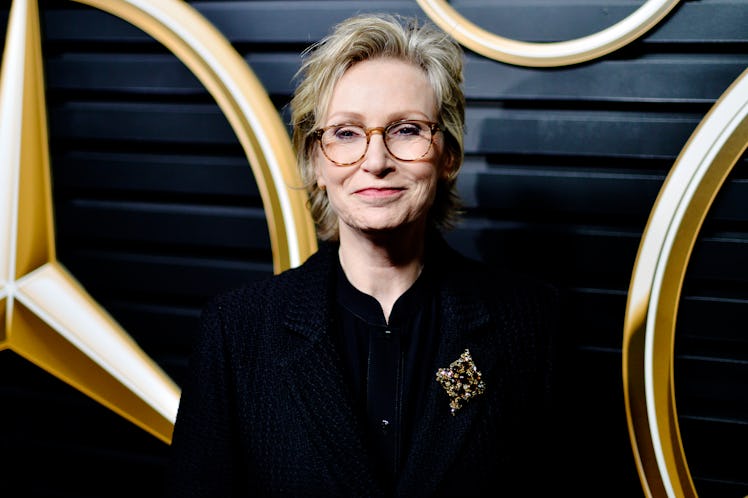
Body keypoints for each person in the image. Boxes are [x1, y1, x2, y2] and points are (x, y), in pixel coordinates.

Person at [167, 12, 558, 497]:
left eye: (407, 130)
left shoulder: (530, 324)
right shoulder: (237, 331)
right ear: (315, 160)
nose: (376, 162)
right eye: (347, 133)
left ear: (449, 155)